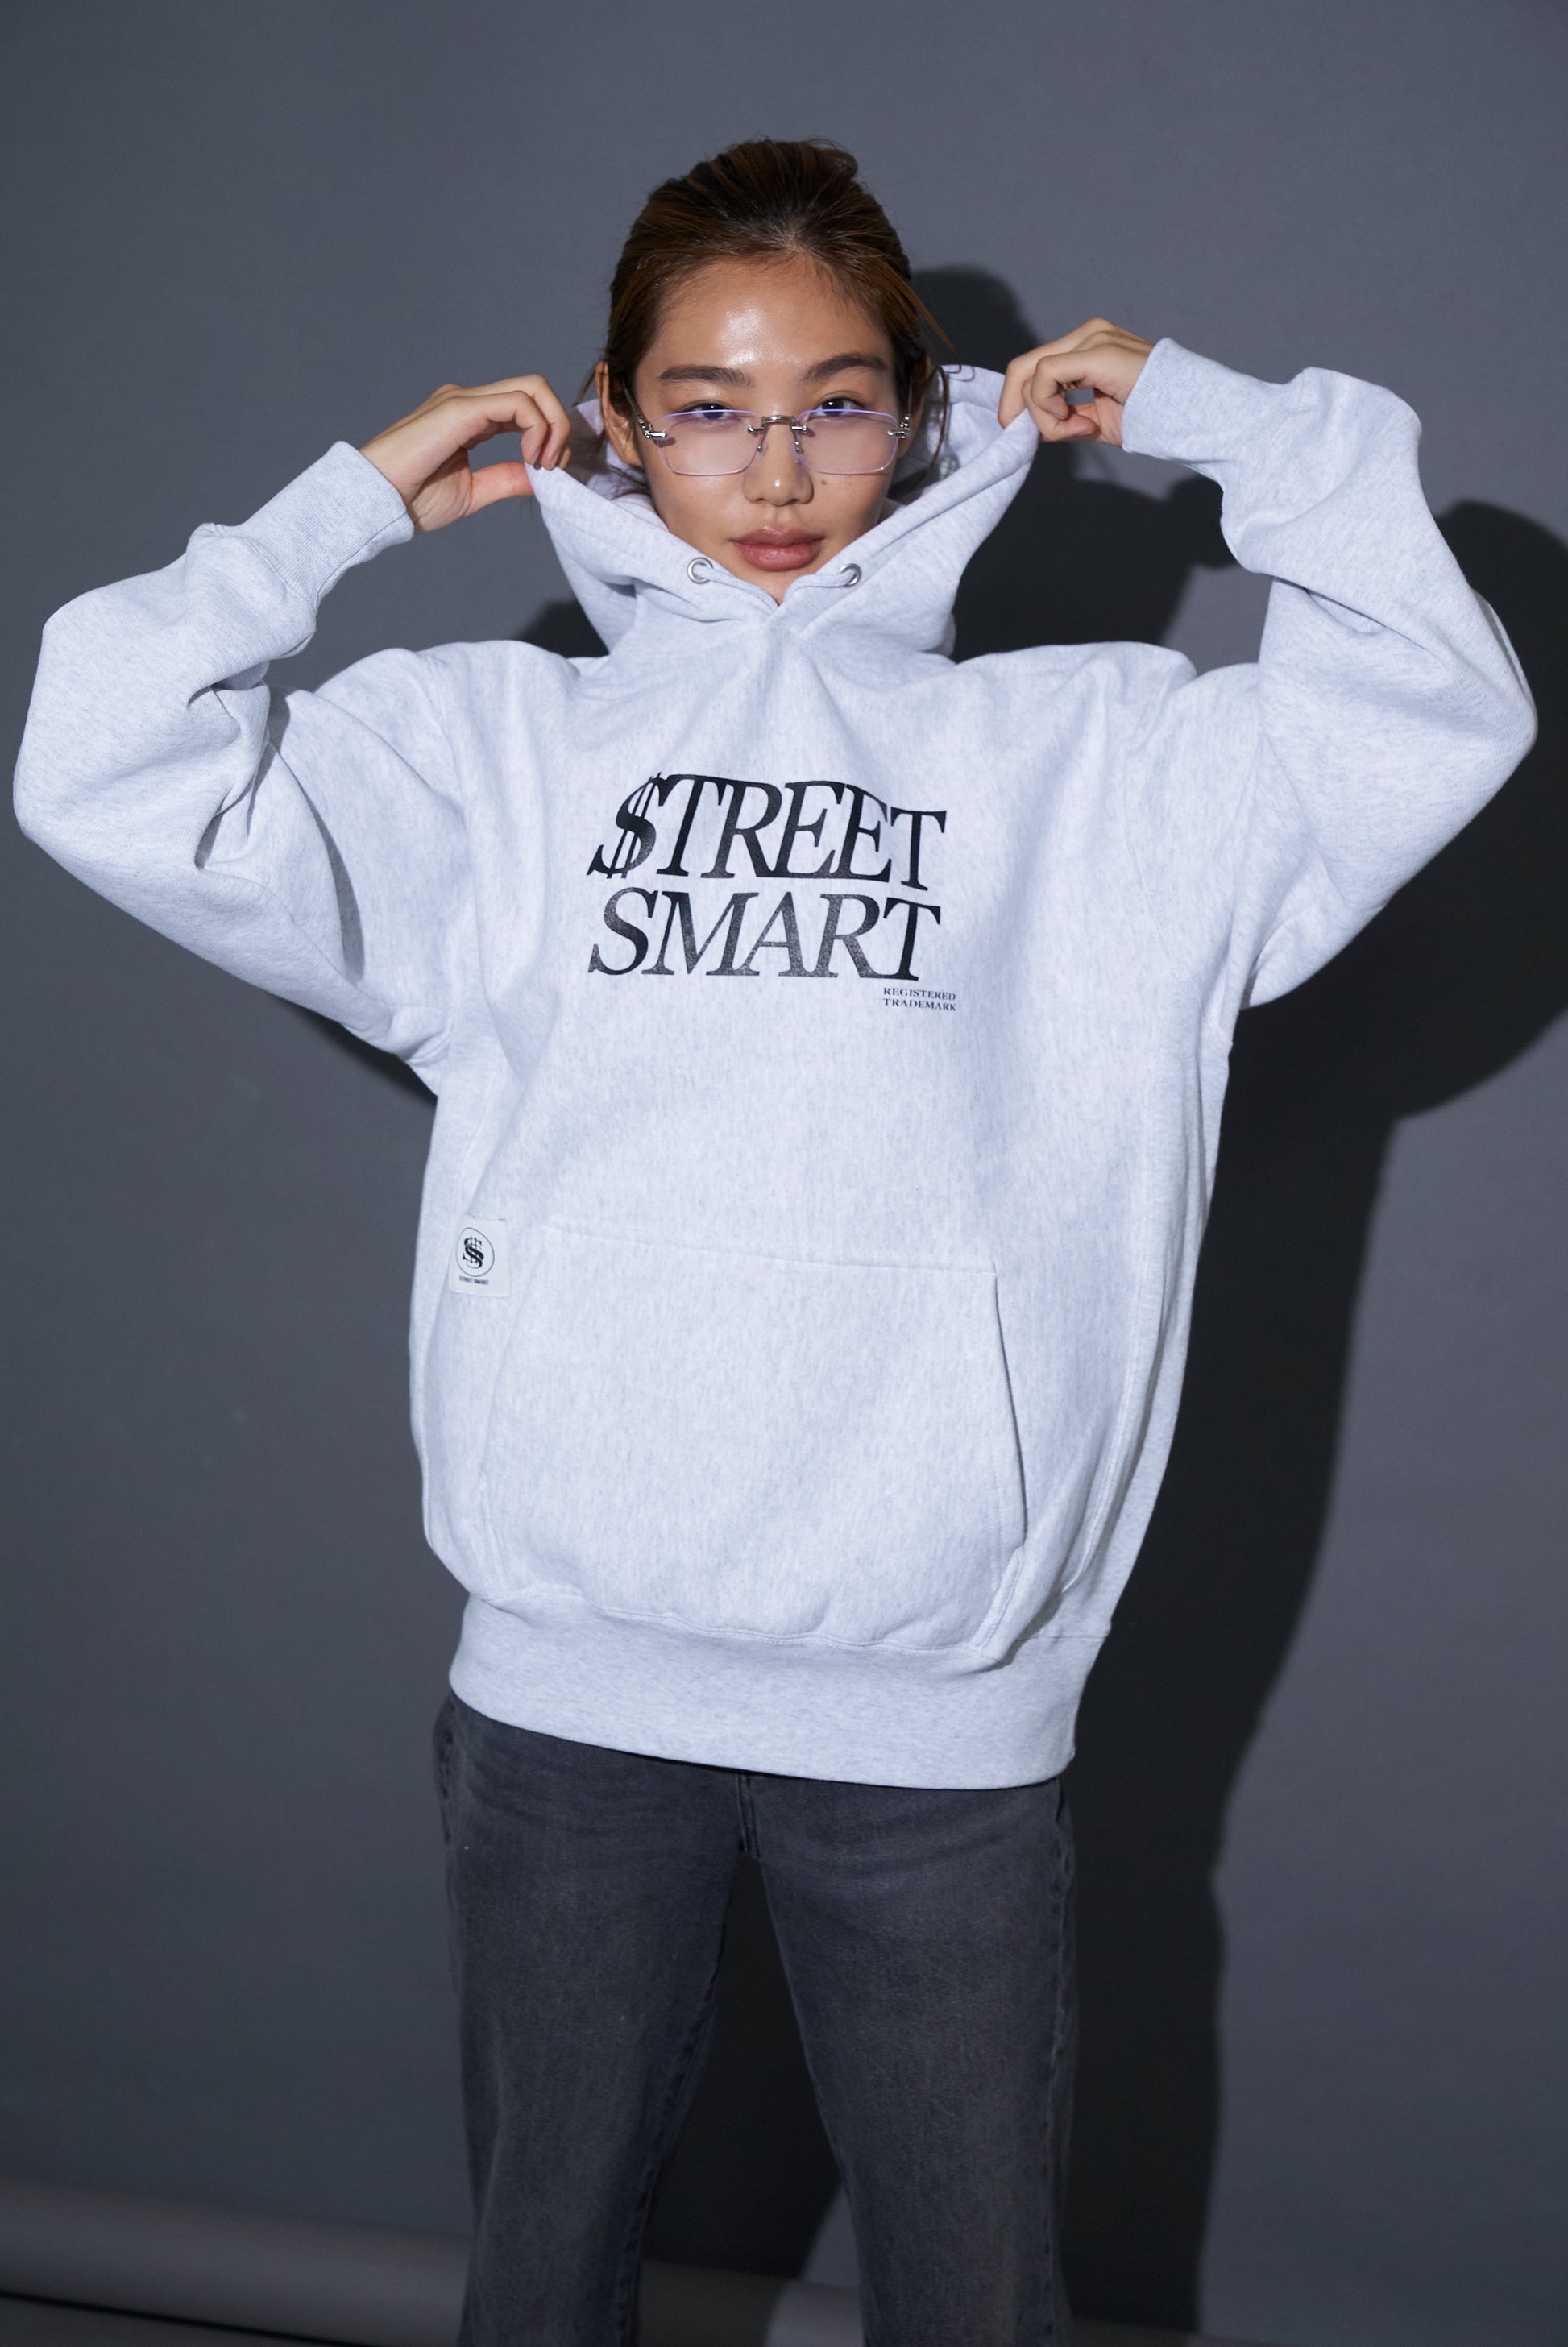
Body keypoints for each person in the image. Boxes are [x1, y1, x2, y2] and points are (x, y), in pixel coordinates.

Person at [13, 135, 1533, 2347]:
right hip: (565, 1684)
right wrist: (341, 509)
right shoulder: (492, 755)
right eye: (710, 406)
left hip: (940, 1710)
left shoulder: (1105, 765)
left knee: (973, 2300)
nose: (779, 466)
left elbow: (1438, 694)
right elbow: (99, 752)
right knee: (540, 2283)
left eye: (834, 399)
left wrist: (1227, 423)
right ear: (617, 427)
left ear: (921, 415)